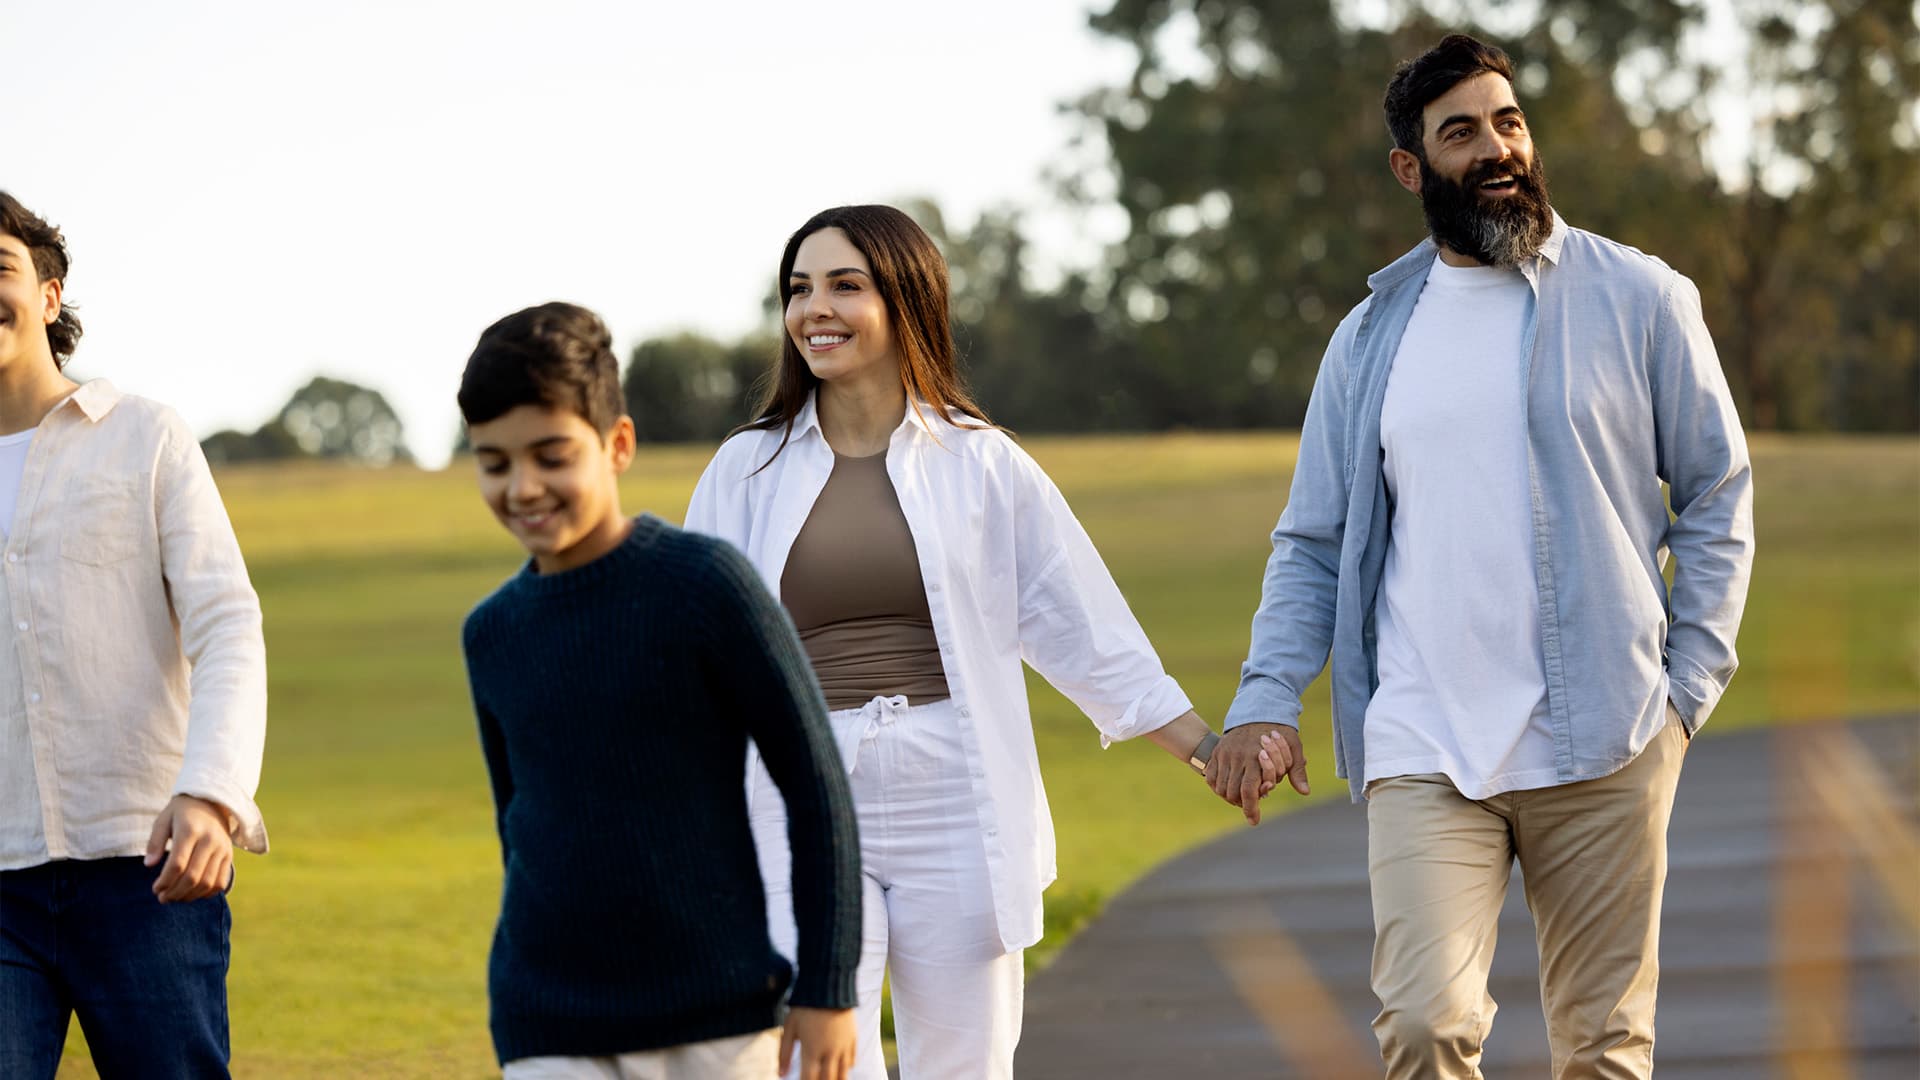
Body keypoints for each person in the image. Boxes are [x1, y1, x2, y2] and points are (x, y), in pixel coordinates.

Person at [1207, 34, 1755, 1078]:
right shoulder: (1367, 339)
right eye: (1462, 132)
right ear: (1412, 169)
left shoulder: (1641, 300)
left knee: (1601, 1047)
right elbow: (1313, 540)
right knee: (1424, 1023)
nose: (1498, 148)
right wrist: (1266, 696)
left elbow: (1718, 495)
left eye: (1509, 121)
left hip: (1608, 733)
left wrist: (1684, 691)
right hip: (1424, 739)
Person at [685, 204, 1288, 1078]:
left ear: (904, 299)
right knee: (810, 1063)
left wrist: (1204, 749)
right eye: (799, 289)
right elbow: (701, 654)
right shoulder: (746, 469)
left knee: (965, 1065)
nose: (815, 308)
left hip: (954, 799)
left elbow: (1079, 624)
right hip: (802, 797)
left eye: (844, 286)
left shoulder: (983, 464)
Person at [456, 302, 863, 1080]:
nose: (524, 487)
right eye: (495, 462)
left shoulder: (706, 587)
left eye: (551, 455)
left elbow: (818, 793)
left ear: (617, 445)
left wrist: (829, 986)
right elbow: (521, 828)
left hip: (718, 1018)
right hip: (548, 1024)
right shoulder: (493, 633)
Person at [0, 191, 269, 1079]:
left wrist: (212, 794)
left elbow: (227, 624)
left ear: (49, 293)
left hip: (149, 868)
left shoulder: (144, 437)